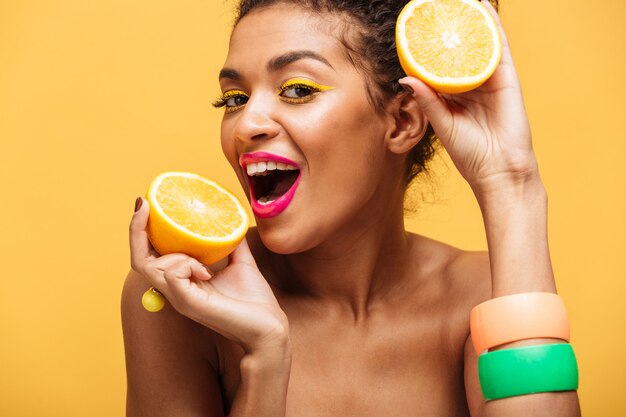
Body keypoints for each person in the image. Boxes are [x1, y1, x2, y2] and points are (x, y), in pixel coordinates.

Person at [122, 0, 582, 415]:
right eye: (235, 98)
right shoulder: (187, 298)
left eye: (297, 89)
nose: (247, 123)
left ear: (402, 120)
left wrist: (512, 184)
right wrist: (264, 360)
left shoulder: (487, 295)